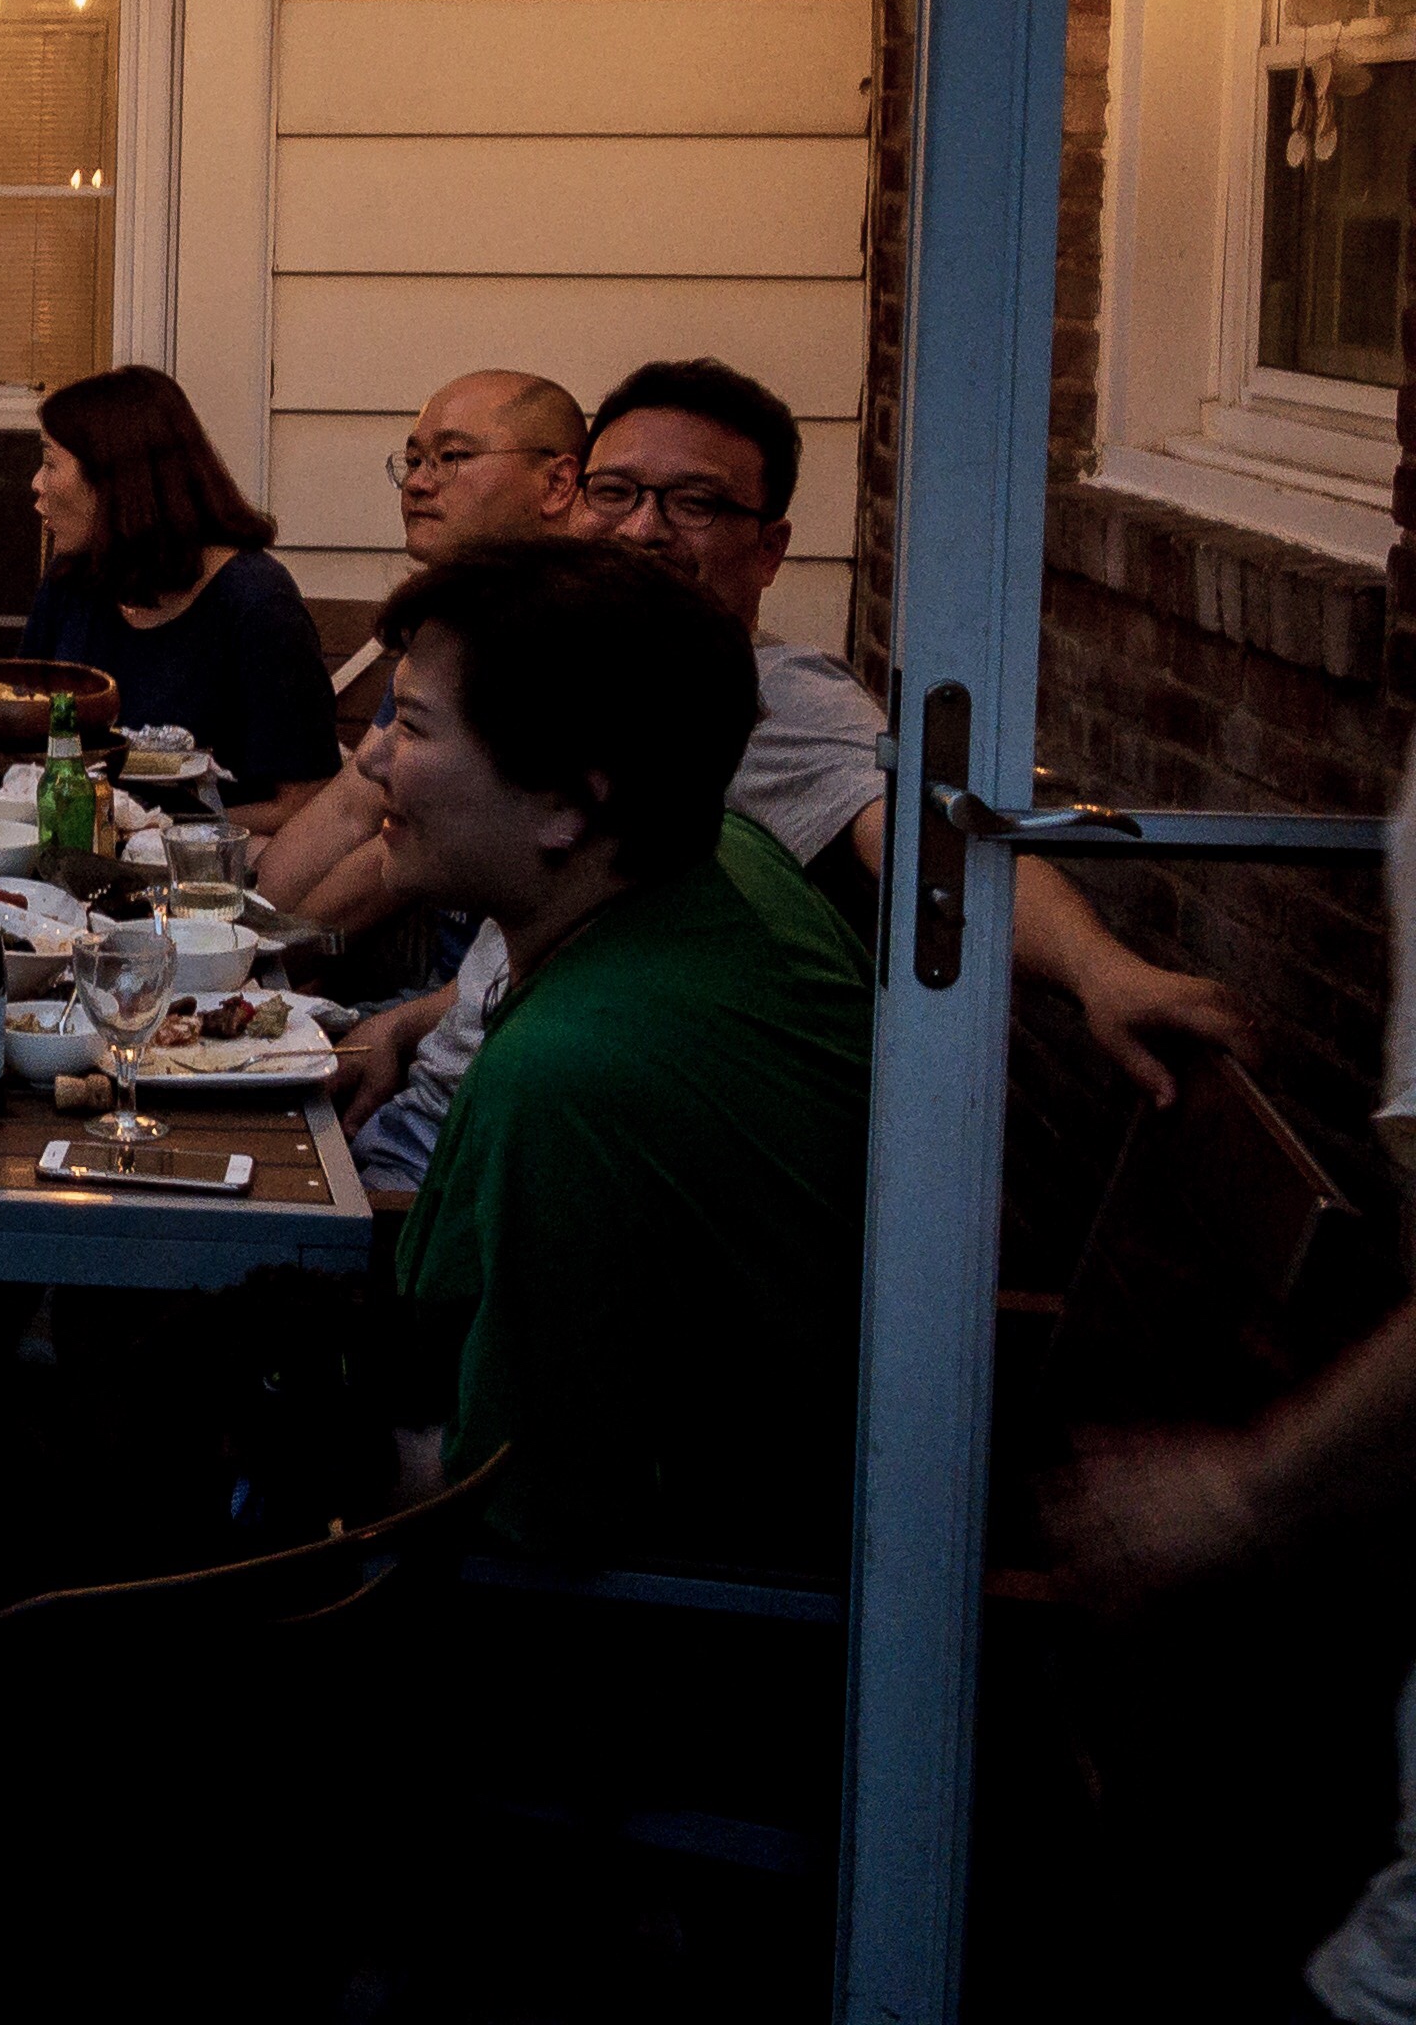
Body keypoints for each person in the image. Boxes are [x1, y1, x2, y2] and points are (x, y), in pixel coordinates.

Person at [373, 538, 877, 1567]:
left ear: (568, 803)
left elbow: (518, 1504)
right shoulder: (720, 852)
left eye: (413, 726)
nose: (375, 760)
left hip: (686, 1606)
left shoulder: (571, 1076)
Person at [568, 355, 1247, 1106]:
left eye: (694, 503)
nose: (642, 528)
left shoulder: (774, 698)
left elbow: (921, 824)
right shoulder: (557, 665)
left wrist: (1101, 969)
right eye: (614, 491)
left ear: (769, 551)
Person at [249, 371, 587, 1193]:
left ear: (558, 483)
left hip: (461, 1078)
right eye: (413, 459)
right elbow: (349, 809)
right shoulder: (454, 623)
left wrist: (258, 957)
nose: (420, 482)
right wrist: (244, 938)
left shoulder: (566, 642)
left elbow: (385, 846)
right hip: (433, 1015)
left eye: (453, 457)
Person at [19, 365, 337, 830]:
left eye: (50, 463)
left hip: (206, 862)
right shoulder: (74, 580)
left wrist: (150, 828)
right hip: (68, 848)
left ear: (115, 478)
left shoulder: (257, 604)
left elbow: (304, 802)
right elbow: (22, 738)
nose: (36, 482)